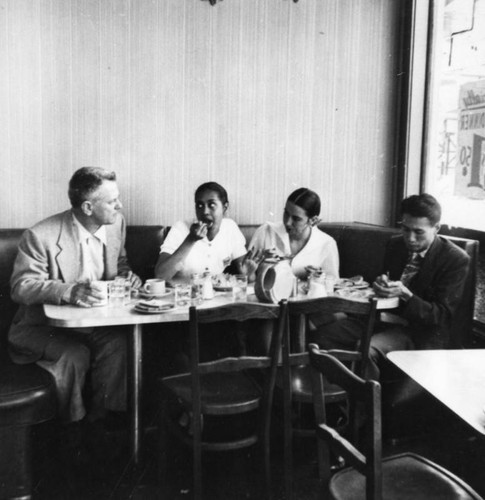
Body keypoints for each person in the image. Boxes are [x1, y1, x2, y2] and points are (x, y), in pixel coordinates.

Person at [8, 167, 142, 425]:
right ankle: (71, 430)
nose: (120, 205)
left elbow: (121, 263)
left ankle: (103, 421)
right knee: (75, 355)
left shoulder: (115, 225)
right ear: (88, 207)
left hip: (93, 323)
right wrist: (68, 291)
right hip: (41, 327)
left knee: (119, 344)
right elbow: (21, 286)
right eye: (113, 201)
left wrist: (127, 277)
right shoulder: (40, 235)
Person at [311, 193, 470, 380]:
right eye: (405, 229)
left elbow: (440, 316)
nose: (410, 238)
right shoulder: (396, 244)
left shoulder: (455, 259)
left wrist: (406, 296)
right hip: (383, 319)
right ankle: (333, 401)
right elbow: (386, 284)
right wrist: (381, 284)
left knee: (366, 349)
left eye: (418, 232)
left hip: (417, 331)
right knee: (322, 336)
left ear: (436, 228)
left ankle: (366, 407)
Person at [155, 181, 256, 282]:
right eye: (200, 205)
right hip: (181, 294)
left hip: (215, 295)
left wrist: (248, 275)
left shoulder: (230, 228)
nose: (204, 212)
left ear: (224, 207)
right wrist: (190, 239)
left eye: (211, 205)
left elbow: (247, 274)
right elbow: (160, 276)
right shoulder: (180, 228)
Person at [248, 187, 339, 281]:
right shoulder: (266, 232)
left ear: (313, 220)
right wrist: (250, 274)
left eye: (296, 219)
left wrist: (317, 278)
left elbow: (332, 285)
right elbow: (248, 277)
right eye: (286, 213)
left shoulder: (327, 244)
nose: (287, 222)